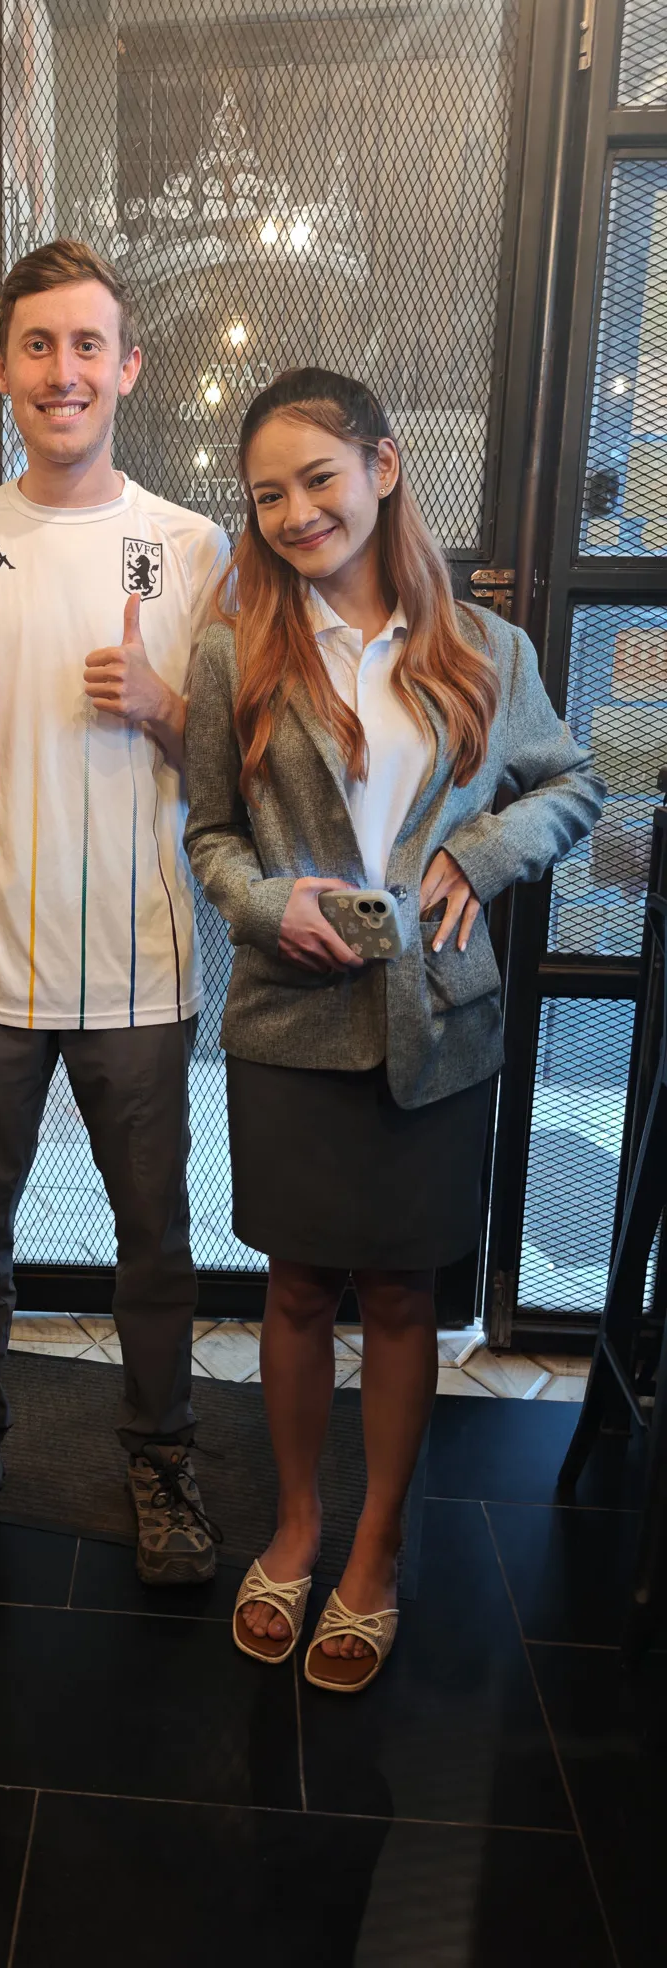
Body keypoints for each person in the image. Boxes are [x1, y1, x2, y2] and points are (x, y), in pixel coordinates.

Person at [184, 367, 603, 1689]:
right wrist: (268, 904)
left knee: (406, 1293)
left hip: (438, 1020)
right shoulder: (236, 648)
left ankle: (377, 1547)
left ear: (383, 465)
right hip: (290, 1014)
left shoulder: (485, 649)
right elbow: (210, 835)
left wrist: (481, 853)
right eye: (268, 496)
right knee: (298, 1286)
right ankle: (297, 1526)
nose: (297, 512)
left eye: (318, 478)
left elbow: (571, 785)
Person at [0, 240, 228, 1585]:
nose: (64, 370)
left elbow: (235, 753)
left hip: (140, 957)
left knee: (155, 1235)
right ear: (0, 368)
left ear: (128, 368)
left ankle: (163, 1457)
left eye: (89, 345)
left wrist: (167, 708)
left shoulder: (190, 545)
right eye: (40, 345)